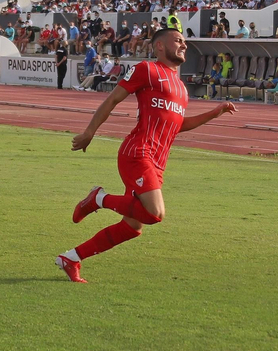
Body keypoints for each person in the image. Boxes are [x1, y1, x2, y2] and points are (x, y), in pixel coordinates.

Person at [57, 28, 236, 282]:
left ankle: (71, 258)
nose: (183, 45)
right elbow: (112, 100)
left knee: (133, 226)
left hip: (158, 161)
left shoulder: (182, 89)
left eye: (184, 41)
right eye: (178, 40)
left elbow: (177, 125)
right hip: (138, 152)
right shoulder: (147, 70)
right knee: (155, 213)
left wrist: (215, 112)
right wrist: (89, 132)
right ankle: (99, 198)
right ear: (160, 46)